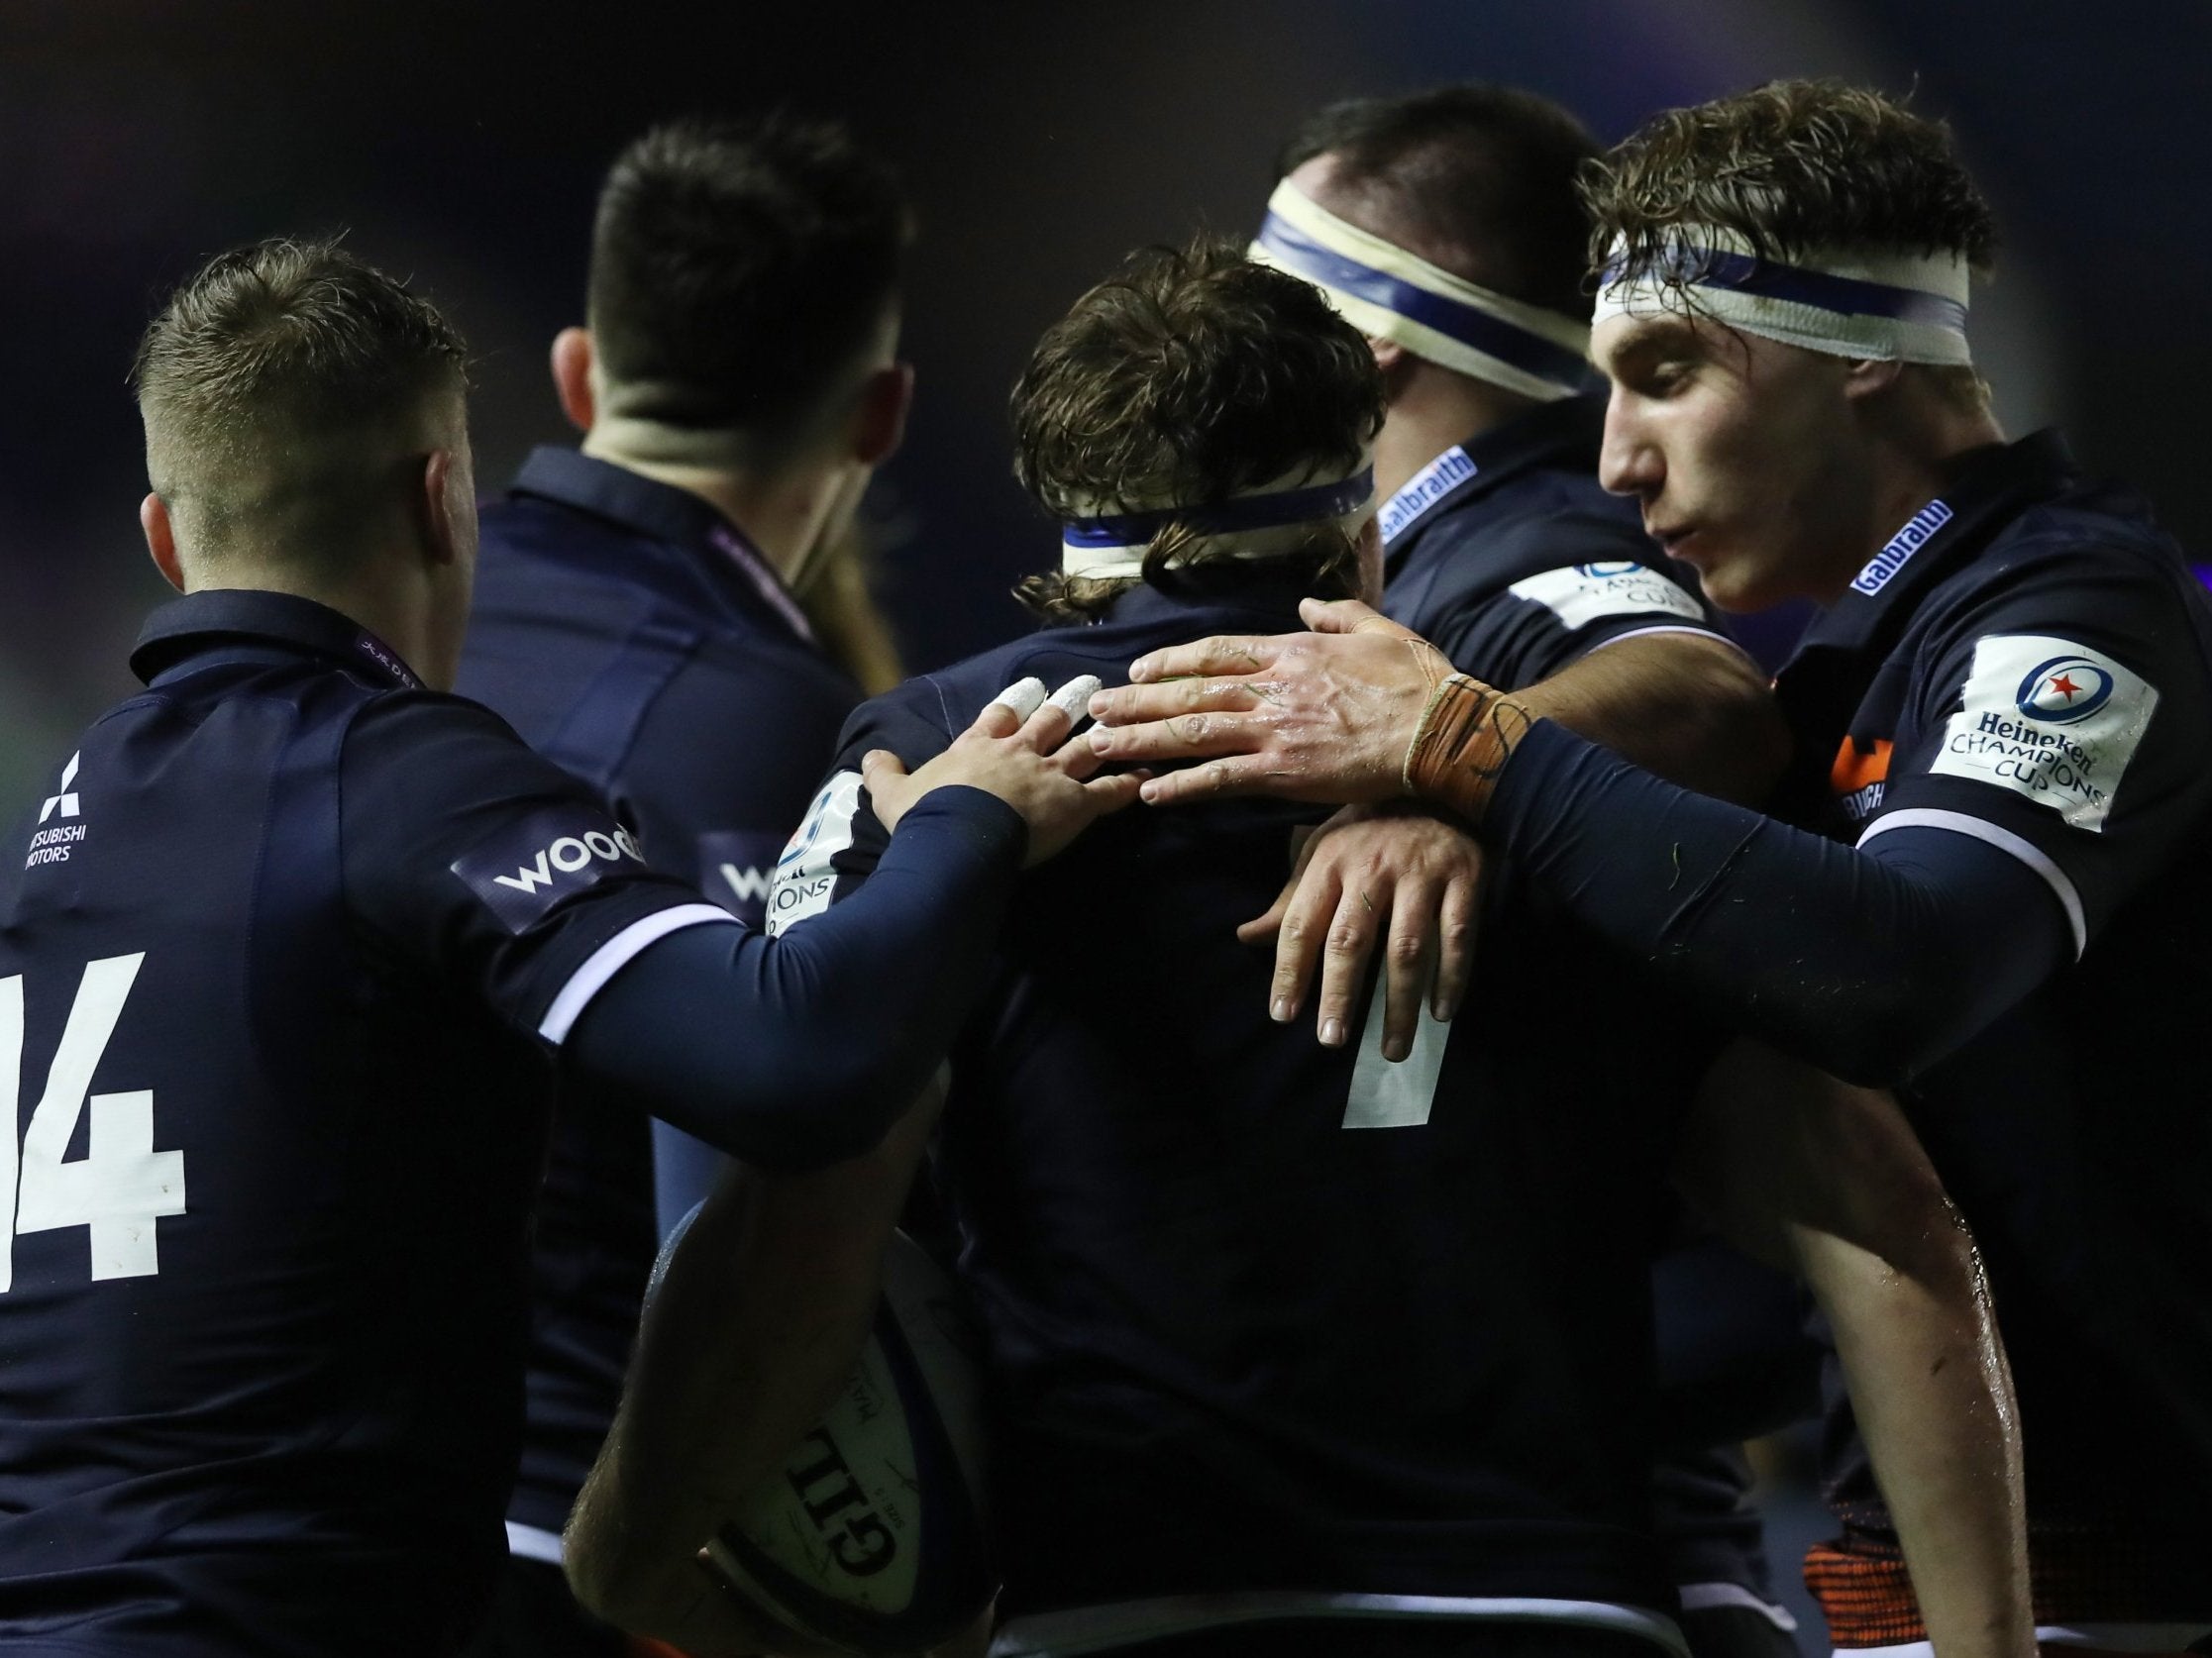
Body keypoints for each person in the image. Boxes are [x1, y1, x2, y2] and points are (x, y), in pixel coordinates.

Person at [570, 241, 2027, 1658]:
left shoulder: (944, 765)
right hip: (1559, 1605)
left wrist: (632, 1543)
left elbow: (800, 1224)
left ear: (1068, 527)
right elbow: (1884, 1222)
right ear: (1366, 514)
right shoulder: (1548, 783)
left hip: (1136, 1606)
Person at [1085, 79, 2212, 1656]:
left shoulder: (2069, 609)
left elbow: (1898, 970)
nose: (1611, 458)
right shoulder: (1862, 648)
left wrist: (1464, 751)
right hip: (1961, 1558)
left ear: (1863, 350)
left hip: (2132, 1571)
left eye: (1667, 377)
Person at [0, 237, 1133, 1658]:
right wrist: (966, 818)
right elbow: (793, 1058)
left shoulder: (43, 826)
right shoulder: (397, 773)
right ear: (442, 498)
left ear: (168, 536)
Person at [1255, 86, 1814, 1655]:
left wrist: (1445, 761)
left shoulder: (1528, 546)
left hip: (1579, 1512)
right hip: (1515, 1485)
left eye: (1259, 290)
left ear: (1357, 342)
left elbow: (1700, 693)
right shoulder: (1414, 562)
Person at [453, 114, 917, 1648]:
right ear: (879, 414)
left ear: (581, 377)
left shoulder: (380, 624)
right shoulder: (765, 716)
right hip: (557, 1551)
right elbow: (743, 1232)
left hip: (258, 1518)